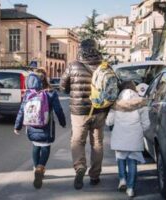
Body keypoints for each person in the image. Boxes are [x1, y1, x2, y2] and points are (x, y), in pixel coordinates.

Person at [60, 39, 108, 190]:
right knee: (97, 144)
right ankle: (95, 175)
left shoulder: (73, 66)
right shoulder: (104, 66)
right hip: (99, 110)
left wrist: (72, 90)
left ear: (81, 49)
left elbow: (62, 86)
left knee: (77, 141)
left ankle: (80, 167)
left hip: (79, 112)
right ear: (96, 48)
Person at [14, 71, 66, 189]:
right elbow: (58, 110)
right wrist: (63, 122)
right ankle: (40, 167)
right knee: (45, 147)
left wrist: (17, 126)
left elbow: (22, 111)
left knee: (36, 146)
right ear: (45, 80)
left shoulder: (28, 94)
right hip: (46, 127)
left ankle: (36, 167)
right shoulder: (51, 93)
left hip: (32, 127)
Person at [105, 81, 150, 197]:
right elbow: (146, 124)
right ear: (134, 89)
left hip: (120, 137)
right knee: (132, 162)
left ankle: (122, 179)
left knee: (121, 158)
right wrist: (139, 130)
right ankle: (130, 188)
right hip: (135, 137)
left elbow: (108, 121)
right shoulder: (141, 103)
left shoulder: (116, 104)